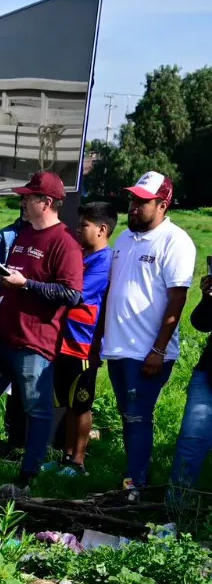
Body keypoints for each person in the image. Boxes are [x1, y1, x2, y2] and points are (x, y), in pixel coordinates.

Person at [0, 171, 83, 490]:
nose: (22, 201)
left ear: (46, 202)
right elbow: (3, 283)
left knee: (37, 411)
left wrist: (28, 285)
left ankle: (27, 478)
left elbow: (72, 294)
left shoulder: (65, 244)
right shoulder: (22, 235)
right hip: (0, 340)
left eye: (28, 197)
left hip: (35, 345)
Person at [100, 171, 197, 499]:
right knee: (127, 415)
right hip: (117, 347)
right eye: (133, 200)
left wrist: (158, 349)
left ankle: (136, 483)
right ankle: (136, 474)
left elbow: (178, 298)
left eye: (143, 202)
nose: (134, 207)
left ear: (163, 204)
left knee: (138, 415)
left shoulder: (176, 241)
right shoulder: (126, 238)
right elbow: (113, 288)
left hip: (147, 352)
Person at [48, 203, 115, 476]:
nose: (78, 229)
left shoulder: (105, 261)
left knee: (81, 404)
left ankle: (79, 461)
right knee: (66, 403)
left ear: (102, 229)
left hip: (84, 345)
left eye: (84, 225)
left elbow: (75, 292)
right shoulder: (81, 257)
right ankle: (64, 455)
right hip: (62, 342)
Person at [0, 211, 30, 457]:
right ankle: (11, 439)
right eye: (22, 200)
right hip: (2, 312)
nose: (25, 205)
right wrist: (6, 273)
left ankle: (23, 446)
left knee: (24, 387)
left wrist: (25, 281)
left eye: (30, 199)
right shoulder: (8, 234)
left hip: (29, 321)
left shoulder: (47, 237)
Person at [169, 269, 212, 500]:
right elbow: (202, 323)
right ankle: (175, 512)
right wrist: (208, 299)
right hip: (208, 373)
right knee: (191, 441)